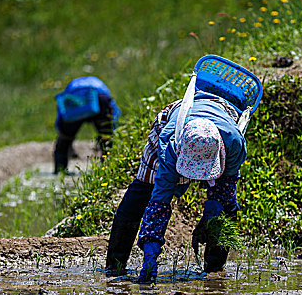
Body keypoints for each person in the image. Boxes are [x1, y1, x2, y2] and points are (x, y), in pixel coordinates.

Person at [105, 56, 261, 283]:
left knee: (227, 208)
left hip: (222, 116)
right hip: (175, 120)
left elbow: (224, 191)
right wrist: (150, 253)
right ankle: (115, 266)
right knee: (143, 191)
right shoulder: (169, 146)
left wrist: (211, 216)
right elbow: (158, 203)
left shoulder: (234, 143)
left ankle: (214, 270)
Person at [54, 76, 121, 174]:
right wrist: (113, 129)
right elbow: (114, 111)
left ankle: (60, 169)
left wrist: (61, 130)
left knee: (65, 138)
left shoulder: (73, 85)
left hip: (75, 99)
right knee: (106, 137)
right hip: (99, 98)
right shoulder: (99, 84)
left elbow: (61, 114)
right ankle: (108, 168)